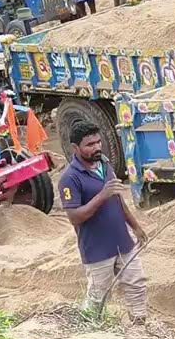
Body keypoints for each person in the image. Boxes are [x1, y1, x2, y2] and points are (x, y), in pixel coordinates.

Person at [59, 122, 150, 319]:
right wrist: (102, 195)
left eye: (98, 142)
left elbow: (118, 200)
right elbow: (74, 217)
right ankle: (90, 332)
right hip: (97, 249)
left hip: (123, 242)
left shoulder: (105, 165)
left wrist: (135, 226)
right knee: (98, 297)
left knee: (137, 285)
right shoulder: (69, 178)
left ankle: (140, 325)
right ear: (75, 148)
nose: (97, 147)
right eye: (90, 144)